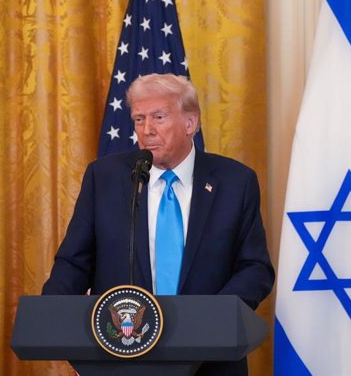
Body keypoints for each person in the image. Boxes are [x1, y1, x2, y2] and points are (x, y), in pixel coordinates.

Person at [42, 73, 275, 375]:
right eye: (139, 119)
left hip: (210, 361)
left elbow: (255, 268)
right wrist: (51, 313)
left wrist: (211, 320)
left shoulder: (235, 182)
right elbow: (74, 262)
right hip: (120, 356)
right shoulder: (106, 177)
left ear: (190, 124)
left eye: (159, 117)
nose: (147, 130)